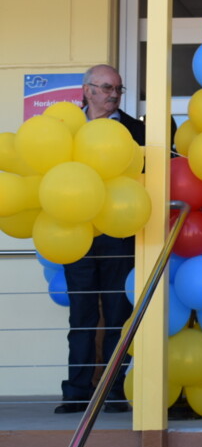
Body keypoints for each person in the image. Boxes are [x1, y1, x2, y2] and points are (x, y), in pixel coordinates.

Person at [56, 64, 145, 414]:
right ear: (87, 90)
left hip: (118, 235)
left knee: (117, 318)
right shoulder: (65, 128)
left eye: (118, 89)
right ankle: (76, 393)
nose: (113, 94)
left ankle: (113, 392)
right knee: (80, 319)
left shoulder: (137, 131)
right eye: (107, 88)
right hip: (74, 233)